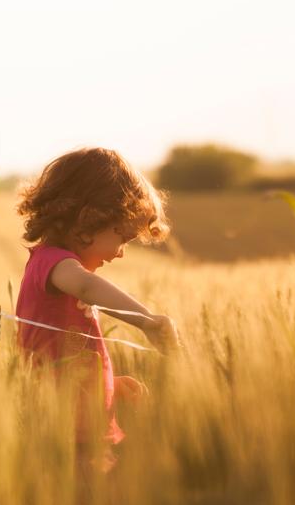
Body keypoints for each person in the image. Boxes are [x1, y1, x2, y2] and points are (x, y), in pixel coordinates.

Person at [14, 147, 180, 474]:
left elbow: (71, 357)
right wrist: (147, 322)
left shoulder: (60, 269)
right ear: (89, 218)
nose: (120, 253)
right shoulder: (52, 264)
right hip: (63, 434)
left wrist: (109, 386)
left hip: (84, 430)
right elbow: (88, 287)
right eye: (122, 236)